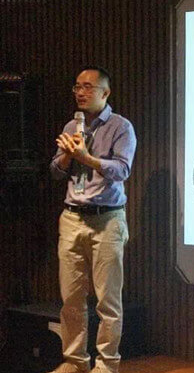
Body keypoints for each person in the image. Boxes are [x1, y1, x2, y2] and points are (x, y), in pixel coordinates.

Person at [48, 66, 137, 373]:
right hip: (72, 217)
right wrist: (67, 155)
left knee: (107, 301)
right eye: (77, 87)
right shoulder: (72, 125)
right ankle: (74, 361)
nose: (81, 92)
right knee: (71, 299)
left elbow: (122, 170)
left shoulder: (121, 127)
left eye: (88, 87)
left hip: (107, 220)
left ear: (105, 92)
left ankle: (107, 364)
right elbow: (55, 172)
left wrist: (86, 158)